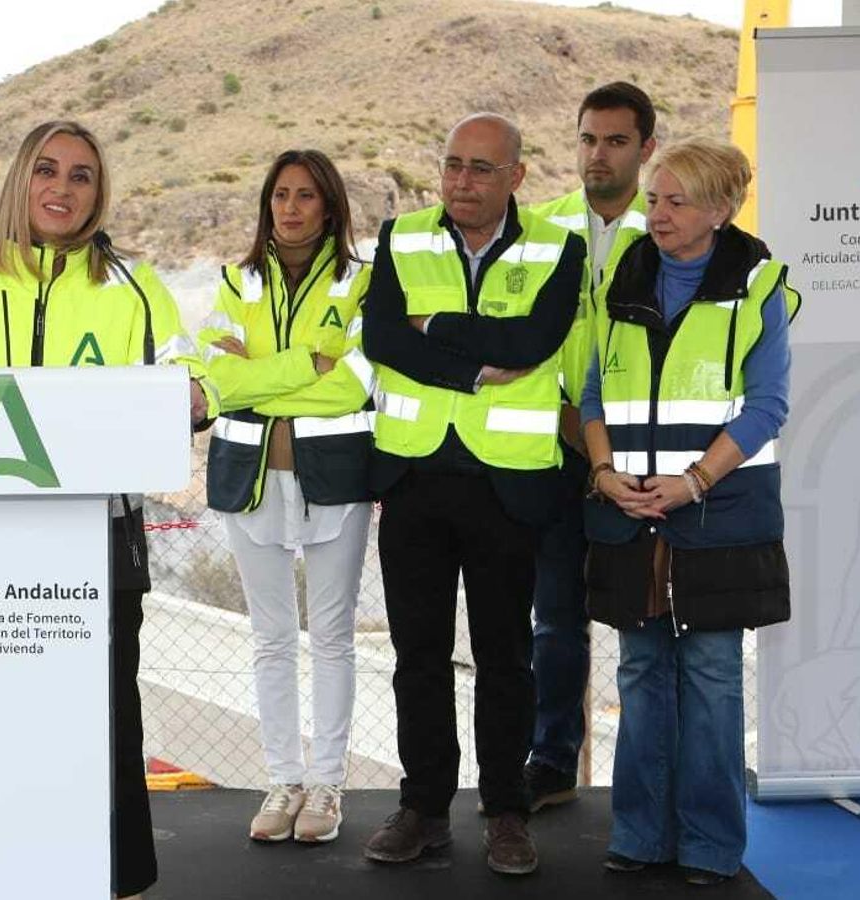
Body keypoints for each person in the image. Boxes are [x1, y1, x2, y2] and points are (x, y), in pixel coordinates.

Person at [0, 120, 216, 900]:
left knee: (104, 719)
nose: (62, 189)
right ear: (19, 181)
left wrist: (196, 394)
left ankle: (118, 879)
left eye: (81, 176)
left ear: (99, 193)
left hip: (95, 536)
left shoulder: (132, 283)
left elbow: (189, 371)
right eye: (47, 170)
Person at [360, 113, 585, 875]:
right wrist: (470, 366)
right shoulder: (402, 236)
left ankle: (505, 812)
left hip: (507, 487)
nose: (461, 181)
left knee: (505, 658)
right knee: (416, 657)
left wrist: (439, 324)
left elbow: (532, 345)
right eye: (453, 164)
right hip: (414, 478)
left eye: (481, 169)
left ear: (516, 177)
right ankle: (423, 806)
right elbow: (383, 340)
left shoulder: (561, 247)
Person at [582, 137, 796, 886]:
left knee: (709, 674)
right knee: (641, 672)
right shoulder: (618, 278)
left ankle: (709, 845)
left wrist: (694, 482)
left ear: (721, 210)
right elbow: (592, 397)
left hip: (720, 513)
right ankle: (640, 833)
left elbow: (768, 407)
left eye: (676, 202)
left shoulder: (758, 286)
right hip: (629, 512)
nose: (658, 214)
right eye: (653, 200)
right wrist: (604, 472)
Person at [197, 149, 374, 844]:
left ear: (329, 206)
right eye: (279, 195)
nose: (290, 208)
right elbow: (216, 374)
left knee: (331, 639)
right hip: (250, 477)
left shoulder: (362, 282)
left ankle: (326, 788)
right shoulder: (236, 281)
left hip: (336, 477)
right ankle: (283, 781)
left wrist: (259, 372)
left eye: (305, 196)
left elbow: (354, 382)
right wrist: (306, 364)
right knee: (270, 640)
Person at [522, 81, 657, 810]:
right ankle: (550, 760)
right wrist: (567, 421)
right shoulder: (540, 230)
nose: (596, 154)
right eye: (586, 139)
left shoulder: (668, 231)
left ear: (646, 149)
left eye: (614, 141)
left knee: (643, 619)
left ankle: (646, 775)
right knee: (555, 618)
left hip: (640, 455)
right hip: (551, 450)